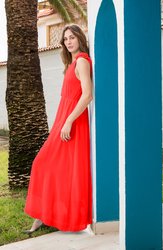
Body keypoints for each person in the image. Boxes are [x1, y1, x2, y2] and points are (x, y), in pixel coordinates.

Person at [23, 24, 93, 236]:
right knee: (50, 166)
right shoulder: (71, 62)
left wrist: (69, 121)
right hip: (63, 121)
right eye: (65, 39)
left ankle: (51, 216)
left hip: (72, 123)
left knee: (47, 164)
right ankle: (45, 215)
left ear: (80, 38)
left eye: (72, 37)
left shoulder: (81, 60)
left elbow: (88, 95)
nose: (69, 41)